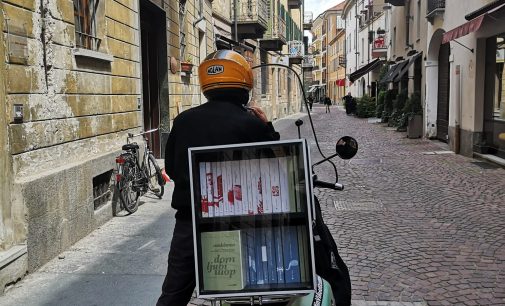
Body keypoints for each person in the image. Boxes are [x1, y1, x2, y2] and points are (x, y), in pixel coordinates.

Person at [157, 50, 280, 306]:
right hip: (241, 221)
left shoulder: (183, 121)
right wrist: (267, 126)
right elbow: (274, 166)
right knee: (251, 288)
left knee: (173, 294)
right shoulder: (251, 123)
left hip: (191, 221)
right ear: (243, 84)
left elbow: (172, 168)